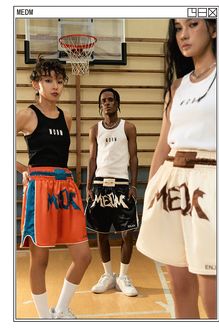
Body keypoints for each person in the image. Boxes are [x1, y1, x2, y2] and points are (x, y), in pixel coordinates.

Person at [136, 19, 217, 319]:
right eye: (178, 28)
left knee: (215, 300)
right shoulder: (177, 86)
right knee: (181, 290)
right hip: (171, 186)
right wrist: (151, 194)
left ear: (214, 29)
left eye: (192, 25)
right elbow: (162, 145)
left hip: (212, 183)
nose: (183, 34)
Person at [16, 58, 91, 319]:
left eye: (59, 81)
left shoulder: (66, 117)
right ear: (37, 84)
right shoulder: (27, 114)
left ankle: (60, 310)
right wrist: (24, 169)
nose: (55, 85)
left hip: (65, 187)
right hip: (40, 187)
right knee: (41, 260)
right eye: (48, 80)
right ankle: (44, 319)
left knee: (83, 256)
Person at [86, 88, 138, 297]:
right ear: (100, 105)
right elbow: (91, 159)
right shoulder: (94, 129)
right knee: (101, 232)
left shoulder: (128, 127)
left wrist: (133, 185)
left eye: (110, 99)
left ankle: (123, 277)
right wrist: (88, 186)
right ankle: (108, 275)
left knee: (128, 233)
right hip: (99, 185)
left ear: (117, 103)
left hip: (122, 185)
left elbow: (133, 158)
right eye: (103, 101)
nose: (107, 103)